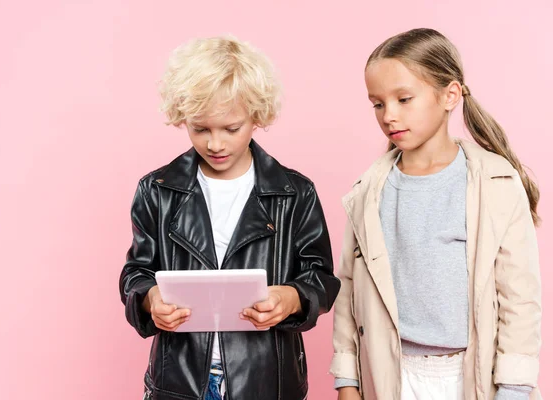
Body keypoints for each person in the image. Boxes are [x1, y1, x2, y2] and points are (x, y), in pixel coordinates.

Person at [119, 35, 340, 400]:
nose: (215, 144)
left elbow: (321, 277)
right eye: (200, 129)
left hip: (267, 381)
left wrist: (291, 298)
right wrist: (150, 299)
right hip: (181, 381)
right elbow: (136, 273)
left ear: (256, 117)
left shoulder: (294, 192)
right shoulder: (156, 190)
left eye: (231, 128)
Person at [330, 28, 541, 400]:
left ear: (450, 95)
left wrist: (514, 387)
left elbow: (519, 297)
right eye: (377, 104)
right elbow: (349, 291)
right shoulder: (368, 192)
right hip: (390, 375)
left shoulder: (495, 183)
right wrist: (347, 380)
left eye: (403, 99)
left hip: (469, 376)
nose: (388, 115)